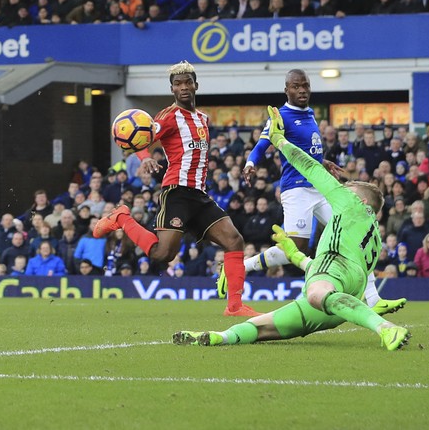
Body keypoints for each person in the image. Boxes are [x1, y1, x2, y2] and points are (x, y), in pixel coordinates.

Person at [173, 107, 411, 351]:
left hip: (330, 279)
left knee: (317, 294)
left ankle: (385, 328)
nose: (342, 190)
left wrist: (279, 141)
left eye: (349, 189)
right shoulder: (372, 234)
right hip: (342, 294)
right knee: (263, 326)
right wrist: (296, 255)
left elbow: (310, 168)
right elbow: (342, 271)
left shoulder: (351, 204)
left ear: (361, 201)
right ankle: (218, 337)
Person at [94, 61, 258, 316]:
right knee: (163, 254)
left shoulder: (203, 118)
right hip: (177, 192)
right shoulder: (169, 116)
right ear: (172, 89)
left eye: (187, 82)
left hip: (200, 195)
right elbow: (142, 135)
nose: (183, 87)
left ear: (196, 85)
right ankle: (122, 218)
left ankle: (235, 306)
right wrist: (145, 156)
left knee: (234, 240)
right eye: (178, 84)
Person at [241, 69, 404, 314]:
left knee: (353, 232)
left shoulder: (310, 114)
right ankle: (245, 266)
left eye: (305, 85)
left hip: (319, 187)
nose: (302, 90)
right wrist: (251, 163)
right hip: (296, 190)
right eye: (296, 86)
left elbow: (309, 148)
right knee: (297, 247)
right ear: (287, 89)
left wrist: (322, 161)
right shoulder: (280, 116)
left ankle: (373, 299)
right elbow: (263, 143)